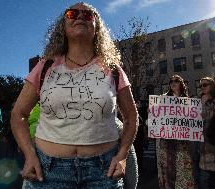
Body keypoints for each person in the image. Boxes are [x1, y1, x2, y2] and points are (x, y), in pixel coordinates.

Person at [11, 2, 138, 189]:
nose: (80, 17)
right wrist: (29, 154)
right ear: (63, 25)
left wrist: (122, 156)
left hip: (103, 172)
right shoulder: (45, 66)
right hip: (47, 172)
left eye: (88, 15)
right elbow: (19, 114)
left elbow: (131, 117)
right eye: (72, 14)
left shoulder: (113, 69)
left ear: (97, 27)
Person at [156, 75, 196, 189]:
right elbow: (156, 117)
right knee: (167, 165)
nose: (173, 83)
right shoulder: (163, 98)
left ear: (181, 84)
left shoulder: (187, 100)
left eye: (176, 81)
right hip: (166, 140)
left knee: (182, 164)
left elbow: (192, 119)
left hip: (181, 140)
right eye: (171, 81)